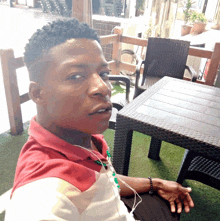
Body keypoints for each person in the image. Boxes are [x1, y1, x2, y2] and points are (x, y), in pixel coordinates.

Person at [4, 18, 194, 221]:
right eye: (76, 76)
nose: (104, 87)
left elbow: (106, 181)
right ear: (38, 93)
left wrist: (156, 183)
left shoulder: (83, 137)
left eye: (103, 73)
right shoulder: (43, 201)